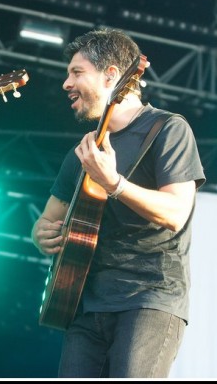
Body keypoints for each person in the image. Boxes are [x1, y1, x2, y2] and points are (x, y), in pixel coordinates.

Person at [31, 28, 206, 378]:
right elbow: (47, 220)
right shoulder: (83, 150)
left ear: (112, 75)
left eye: (77, 72)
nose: (66, 83)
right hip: (84, 304)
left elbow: (175, 212)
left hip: (149, 300)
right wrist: (42, 234)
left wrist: (114, 183)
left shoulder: (168, 130)